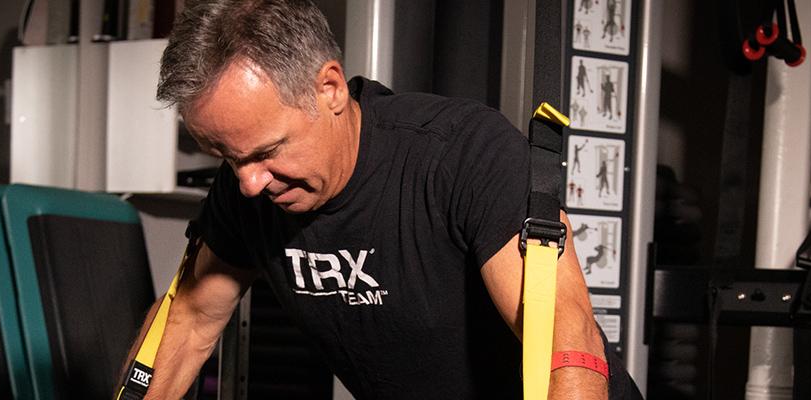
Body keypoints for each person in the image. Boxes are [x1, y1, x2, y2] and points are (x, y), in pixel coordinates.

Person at [142, 1, 642, 399]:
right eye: (227, 157)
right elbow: (187, 323)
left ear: (330, 88)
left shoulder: (463, 154)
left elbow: (565, 342)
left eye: (267, 152)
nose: (249, 182)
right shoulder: (247, 189)